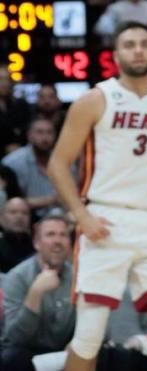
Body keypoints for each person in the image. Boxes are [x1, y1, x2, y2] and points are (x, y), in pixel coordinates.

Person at [46, 21, 147, 371]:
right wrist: (80, 216)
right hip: (106, 220)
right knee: (88, 335)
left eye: (144, 43)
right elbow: (57, 164)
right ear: (116, 55)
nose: (138, 50)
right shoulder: (94, 100)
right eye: (129, 44)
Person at [0, 212, 75, 371]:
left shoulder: (79, 277)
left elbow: (92, 325)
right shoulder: (17, 277)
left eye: (63, 235)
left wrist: (78, 344)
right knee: (12, 358)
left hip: (66, 352)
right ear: (36, 243)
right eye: (50, 234)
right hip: (27, 354)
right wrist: (35, 293)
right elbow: (15, 339)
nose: (57, 241)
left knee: (105, 354)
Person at [2, 116, 59, 215]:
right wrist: (52, 200)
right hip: (26, 219)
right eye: (39, 132)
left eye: (49, 132)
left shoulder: (64, 161)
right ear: (29, 135)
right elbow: (9, 201)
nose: (45, 137)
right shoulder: (12, 162)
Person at [0, 196, 34, 272]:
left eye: (24, 213)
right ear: (1, 218)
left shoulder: (37, 246)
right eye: (13, 212)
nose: (19, 217)